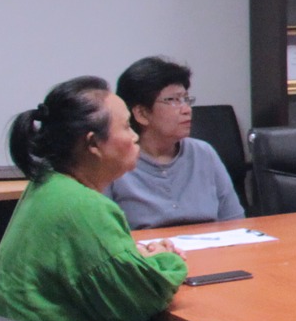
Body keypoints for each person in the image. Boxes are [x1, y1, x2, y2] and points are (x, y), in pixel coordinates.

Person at [0, 78, 187, 321]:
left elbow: (96, 264)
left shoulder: (48, 187)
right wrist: (168, 260)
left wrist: (136, 258)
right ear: (93, 143)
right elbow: (142, 296)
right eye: (126, 126)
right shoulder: (83, 207)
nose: (135, 136)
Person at [105, 56, 245, 229]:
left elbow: (235, 221)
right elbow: (106, 234)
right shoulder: (115, 164)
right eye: (173, 100)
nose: (187, 110)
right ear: (141, 113)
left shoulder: (203, 153)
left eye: (186, 99)